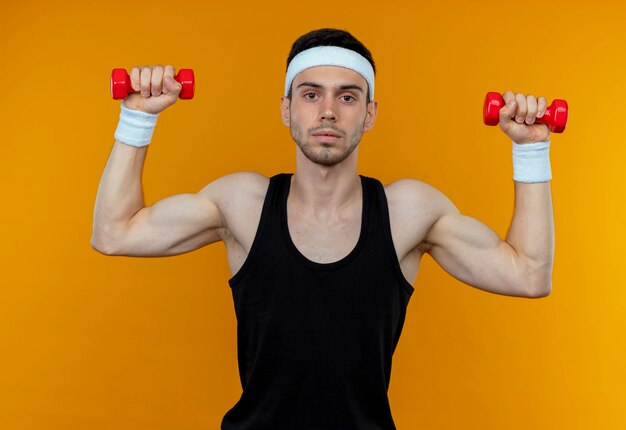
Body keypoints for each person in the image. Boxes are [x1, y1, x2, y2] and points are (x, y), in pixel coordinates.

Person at [91, 28, 555, 430]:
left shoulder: (410, 212)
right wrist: (138, 116)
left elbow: (529, 276)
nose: (328, 111)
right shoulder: (243, 204)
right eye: (311, 94)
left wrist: (531, 150)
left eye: (347, 96)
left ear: (369, 113)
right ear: (286, 108)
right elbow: (114, 233)